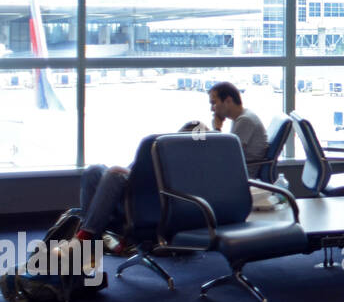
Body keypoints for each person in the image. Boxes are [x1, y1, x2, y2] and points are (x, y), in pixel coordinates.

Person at [76, 82, 269, 254]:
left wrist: (215, 130)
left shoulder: (245, 121)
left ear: (228, 100)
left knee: (113, 174)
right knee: (94, 171)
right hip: (208, 178)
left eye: (214, 102)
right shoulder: (241, 120)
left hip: (227, 181)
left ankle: (88, 234)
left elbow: (227, 158)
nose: (212, 108)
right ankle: (90, 230)